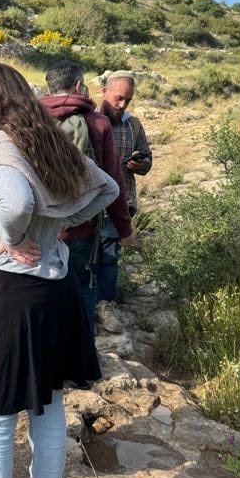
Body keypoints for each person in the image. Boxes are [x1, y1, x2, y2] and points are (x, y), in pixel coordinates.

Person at [0, 64, 119, 478]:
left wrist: (12, 236)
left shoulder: (1, 142)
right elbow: (108, 189)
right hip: (59, 288)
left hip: (16, 292)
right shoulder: (48, 139)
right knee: (47, 403)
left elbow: (13, 205)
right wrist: (60, 223)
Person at [38, 60, 133, 331]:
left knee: (45, 289)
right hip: (81, 227)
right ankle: (81, 356)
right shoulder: (99, 124)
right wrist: (125, 229)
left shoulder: (31, 121)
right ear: (79, 86)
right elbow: (113, 182)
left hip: (38, 228)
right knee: (83, 285)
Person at [96, 71, 152, 311]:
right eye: (118, 98)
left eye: (127, 100)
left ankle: (106, 307)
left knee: (109, 258)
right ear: (104, 92)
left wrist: (140, 164)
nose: (122, 104)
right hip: (89, 204)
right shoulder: (89, 121)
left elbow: (147, 160)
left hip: (120, 203)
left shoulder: (134, 125)